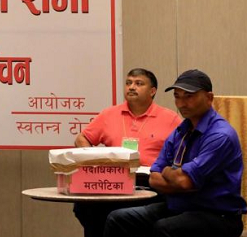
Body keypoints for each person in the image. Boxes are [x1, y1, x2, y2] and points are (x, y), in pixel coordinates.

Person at [105, 69, 246, 237]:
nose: (181, 103)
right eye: (177, 96)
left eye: (189, 96)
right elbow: (154, 177)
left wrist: (169, 172)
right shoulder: (181, 130)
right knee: (118, 218)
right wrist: (176, 178)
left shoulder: (220, 135)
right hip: (180, 206)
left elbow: (184, 181)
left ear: (209, 98)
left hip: (217, 214)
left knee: (165, 228)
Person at [73, 68, 182, 237]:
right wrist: (94, 161)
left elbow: (184, 151)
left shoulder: (170, 119)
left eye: (139, 83)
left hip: (148, 183)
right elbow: (82, 138)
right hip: (112, 181)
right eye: (128, 83)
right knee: (84, 206)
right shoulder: (109, 114)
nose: (131, 87)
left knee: (124, 213)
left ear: (152, 91)